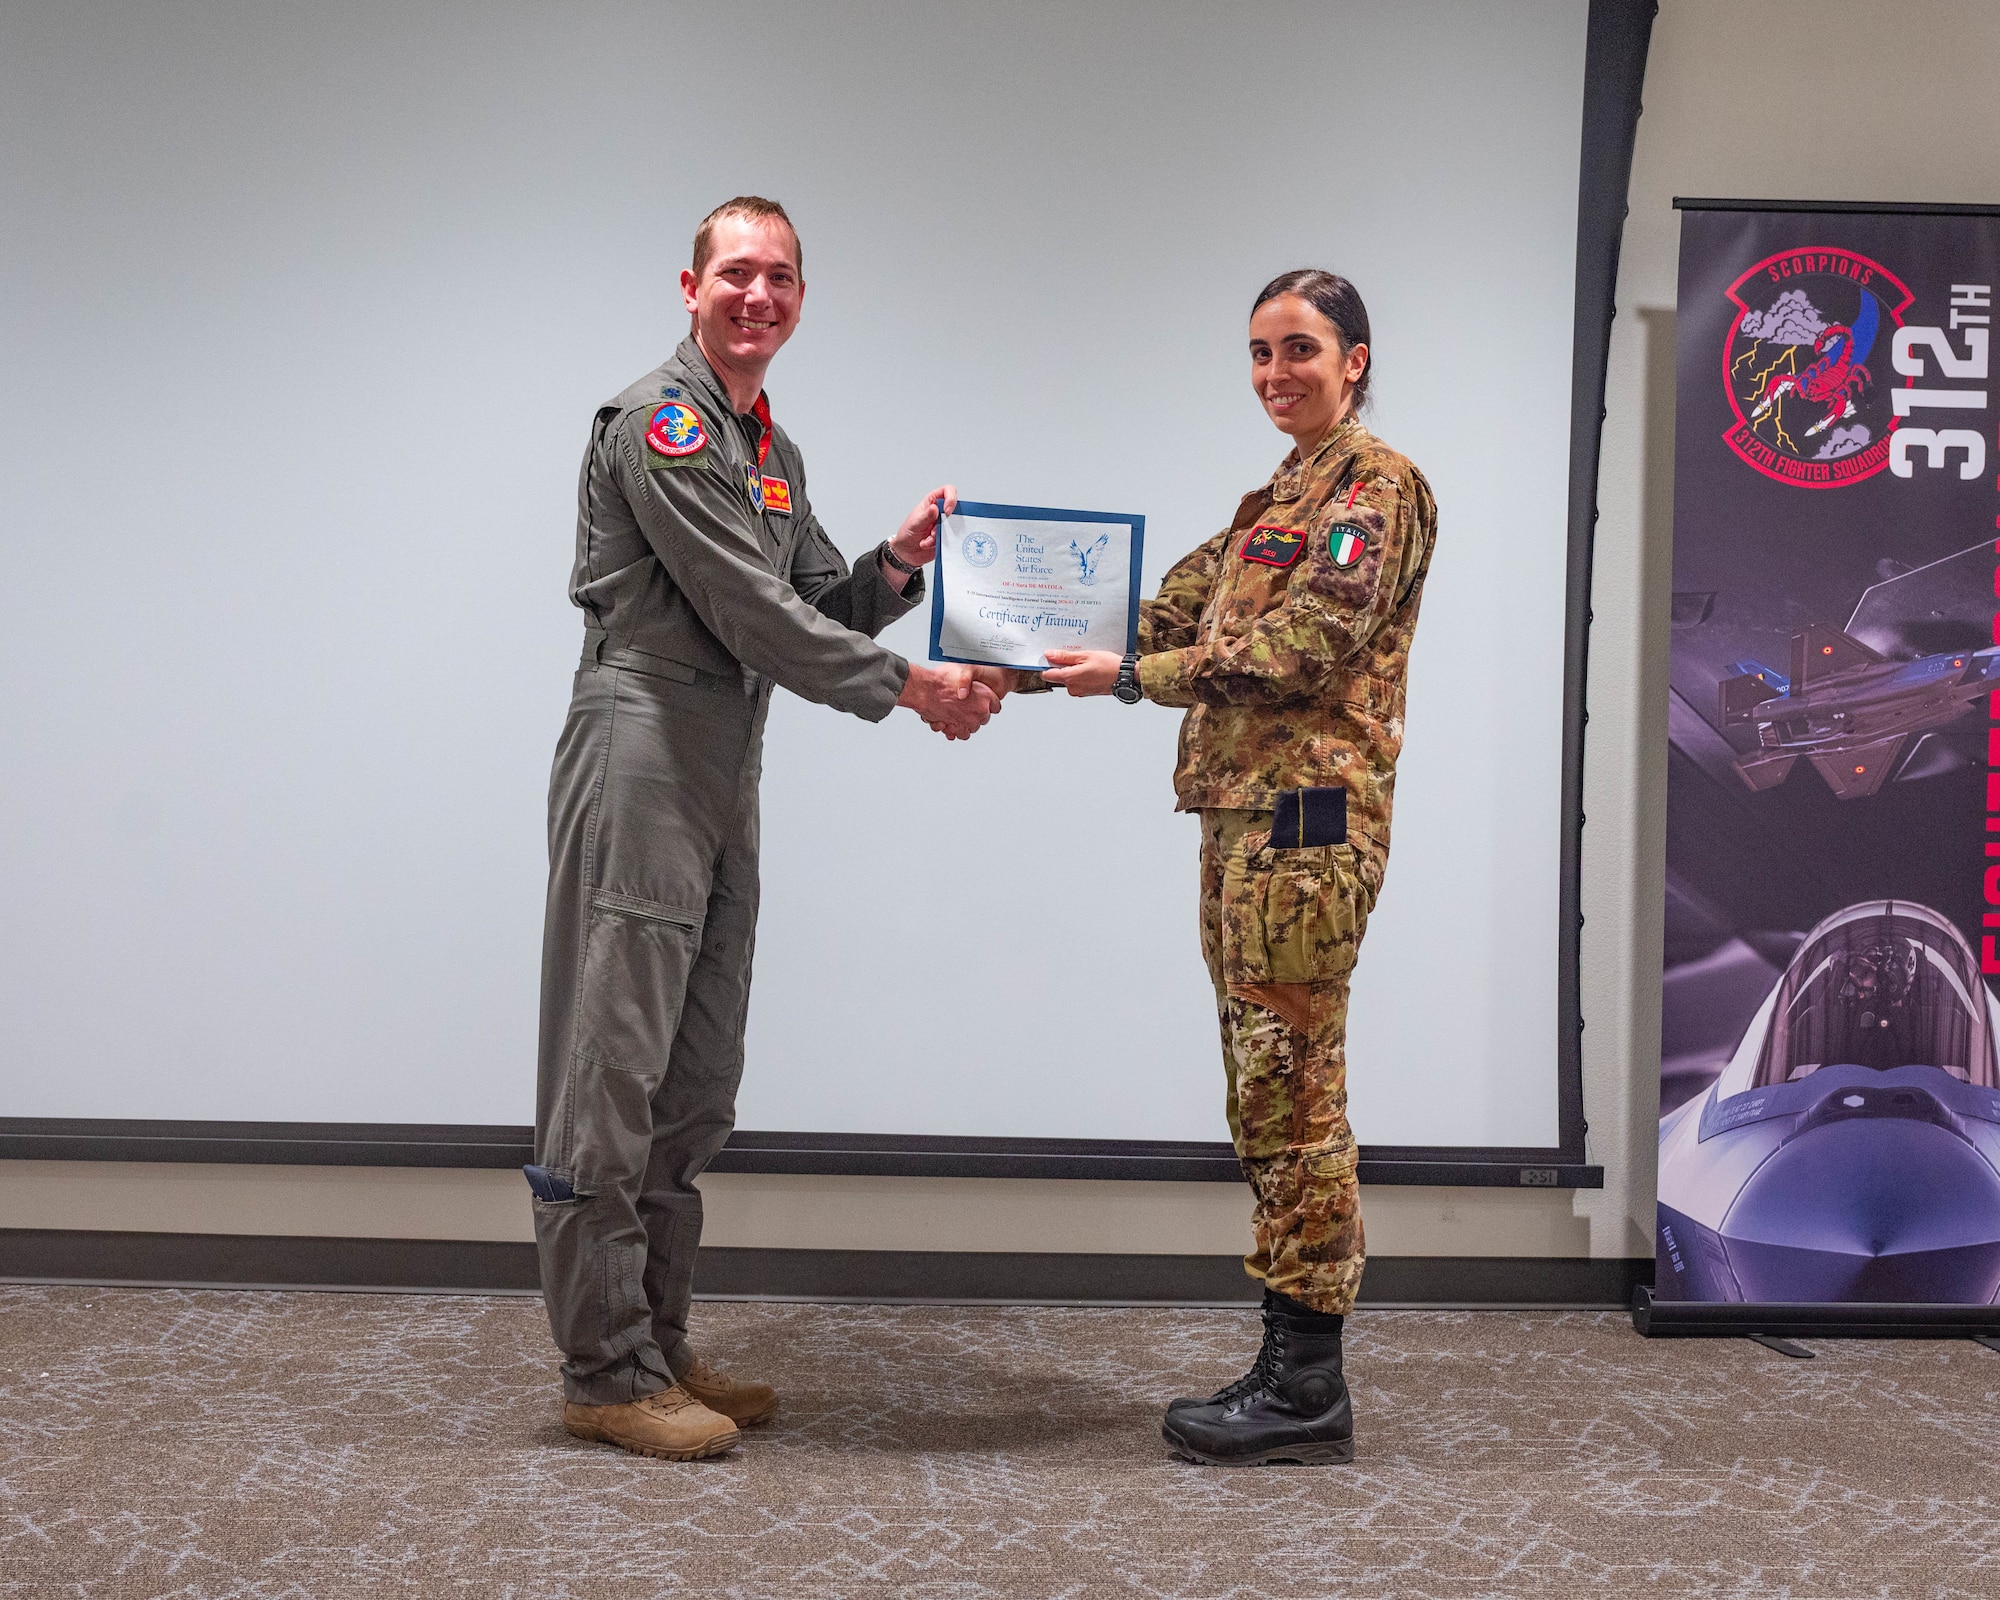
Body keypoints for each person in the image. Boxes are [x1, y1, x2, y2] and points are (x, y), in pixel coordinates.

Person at [530, 196, 1000, 1463]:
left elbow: (814, 599)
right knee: (611, 1065)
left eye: (780, 278)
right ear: (688, 287)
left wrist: (897, 570)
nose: (758, 295)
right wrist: (910, 690)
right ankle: (601, 1366)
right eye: (736, 273)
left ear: (800, 298)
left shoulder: (768, 447)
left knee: (693, 1078)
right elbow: (746, 609)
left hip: (722, 758)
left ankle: (657, 1342)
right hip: (643, 746)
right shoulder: (664, 423)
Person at [1005, 269, 1438, 1466]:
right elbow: (1155, 613)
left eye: (1298, 348)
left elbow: (1302, 645)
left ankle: (1306, 1384)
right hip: (1248, 825)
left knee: (1294, 1091)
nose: (1274, 373)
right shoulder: (1280, 497)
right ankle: (1290, 1358)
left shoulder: (1374, 486)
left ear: (1354, 358)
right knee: (1263, 1086)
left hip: (1304, 828)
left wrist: (1131, 680)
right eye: (1257, 352)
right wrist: (1007, 643)